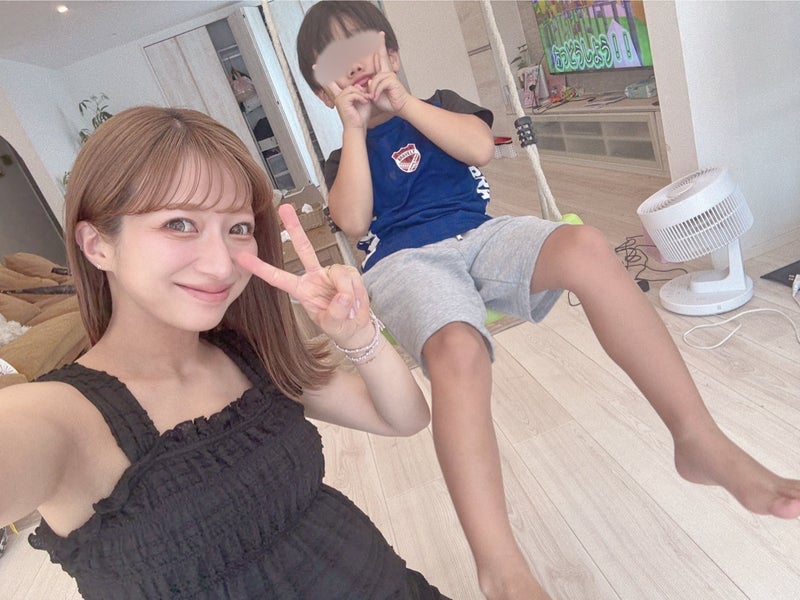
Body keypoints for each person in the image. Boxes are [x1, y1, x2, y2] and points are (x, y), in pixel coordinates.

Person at [295, 2, 800, 599]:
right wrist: (355, 129)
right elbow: (353, 220)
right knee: (458, 351)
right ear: (323, 92)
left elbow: (479, 148)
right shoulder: (343, 154)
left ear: (393, 53)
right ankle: (500, 568)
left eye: (362, 47)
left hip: (480, 234)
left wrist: (403, 103)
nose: (355, 65)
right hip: (405, 262)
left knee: (586, 245)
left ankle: (698, 439)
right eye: (335, 62)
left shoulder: (439, 104)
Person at [0, 105, 451, 599]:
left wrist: (358, 334)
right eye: (178, 224)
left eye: (238, 228)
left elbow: (404, 418)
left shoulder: (246, 356)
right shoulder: (59, 417)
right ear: (96, 245)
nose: (221, 265)